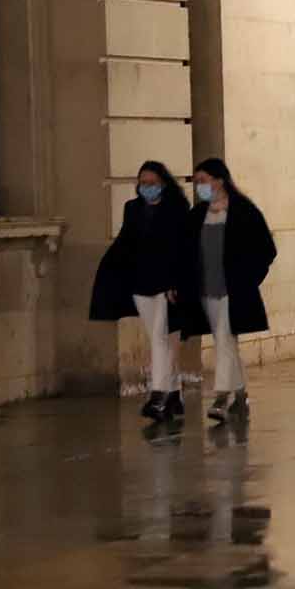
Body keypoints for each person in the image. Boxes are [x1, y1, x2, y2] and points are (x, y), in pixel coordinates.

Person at [88, 161, 191, 421]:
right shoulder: (132, 209)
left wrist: (176, 283)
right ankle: (175, 394)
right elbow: (126, 243)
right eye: (142, 183)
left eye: (151, 183)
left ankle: (158, 395)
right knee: (159, 338)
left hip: (168, 285)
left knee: (159, 337)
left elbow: (180, 249)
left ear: (163, 184)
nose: (146, 188)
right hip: (141, 283)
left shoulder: (177, 210)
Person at [181, 159, 277, 423]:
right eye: (196, 181)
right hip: (206, 291)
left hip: (232, 290)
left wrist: (247, 279)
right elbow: (185, 252)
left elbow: (266, 249)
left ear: (219, 180)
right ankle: (241, 394)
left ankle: (221, 397)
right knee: (226, 343)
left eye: (202, 180)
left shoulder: (244, 211)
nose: (198, 186)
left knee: (224, 341)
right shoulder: (198, 215)